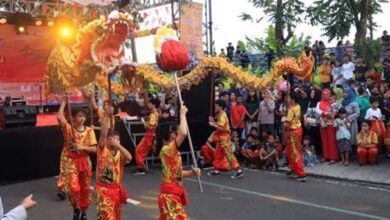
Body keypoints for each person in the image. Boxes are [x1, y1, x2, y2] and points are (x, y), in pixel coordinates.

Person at [158, 105, 201, 220]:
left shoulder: (174, 152)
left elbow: (178, 173)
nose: (178, 133)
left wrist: (192, 173)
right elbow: (183, 133)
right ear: (172, 134)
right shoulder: (167, 149)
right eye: (176, 131)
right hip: (169, 196)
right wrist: (182, 114)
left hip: (173, 194)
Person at [57, 97, 98, 220]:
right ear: (73, 117)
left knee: (85, 189)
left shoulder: (89, 131)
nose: (82, 119)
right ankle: (76, 208)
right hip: (72, 162)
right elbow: (59, 117)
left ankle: (84, 211)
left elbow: (94, 149)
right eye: (79, 116)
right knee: (73, 188)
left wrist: (82, 147)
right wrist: (64, 101)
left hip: (84, 161)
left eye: (83, 116)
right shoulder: (69, 129)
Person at [94, 106, 132, 220]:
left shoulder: (120, 153)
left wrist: (118, 145)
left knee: (115, 217)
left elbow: (129, 157)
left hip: (115, 190)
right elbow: (103, 135)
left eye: (117, 139)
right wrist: (106, 116)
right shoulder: (102, 150)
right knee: (107, 216)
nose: (114, 141)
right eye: (112, 139)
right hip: (103, 190)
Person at [207, 100, 244, 179]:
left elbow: (221, 128)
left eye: (216, 106)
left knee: (229, 154)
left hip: (224, 138)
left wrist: (213, 124)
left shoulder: (223, 115)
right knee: (217, 153)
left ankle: (239, 171)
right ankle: (216, 170)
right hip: (220, 138)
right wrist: (213, 121)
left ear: (220, 107)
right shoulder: (220, 114)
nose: (215, 107)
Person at [134, 98, 160, 175]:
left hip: (150, 135)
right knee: (140, 150)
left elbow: (150, 127)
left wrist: (144, 122)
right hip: (150, 135)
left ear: (153, 105)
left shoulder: (153, 114)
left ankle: (141, 168)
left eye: (149, 103)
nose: (148, 105)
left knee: (139, 150)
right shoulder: (154, 113)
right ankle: (141, 167)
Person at [285, 93, 306, 182]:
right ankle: (293, 168)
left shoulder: (291, 109)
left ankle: (301, 174)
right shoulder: (298, 106)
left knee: (295, 152)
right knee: (290, 150)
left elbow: (287, 123)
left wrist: (284, 122)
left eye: (289, 98)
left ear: (293, 100)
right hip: (298, 129)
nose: (287, 99)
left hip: (293, 131)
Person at [316, 89, 338, 164]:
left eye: (327, 94)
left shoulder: (332, 103)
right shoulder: (319, 103)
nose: (325, 96)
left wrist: (325, 114)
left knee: (331, 140)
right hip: (323, 123)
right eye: (324, 94)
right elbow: (317, 111)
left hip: (330, 124)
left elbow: (333, 113)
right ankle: (326, 156)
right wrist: (325, 113)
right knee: (324, 140)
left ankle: (333, 157)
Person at [304, 88, 322, 156]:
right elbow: (306, 112)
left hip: (316, 124)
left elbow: (318, 114)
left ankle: (318, 151)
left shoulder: (318, 103)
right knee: (310, 138)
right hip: (309, 124)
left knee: (316, 138)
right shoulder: (309, 102)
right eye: (311, 93)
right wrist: (305, 118)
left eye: (313, 93)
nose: (312, 94)